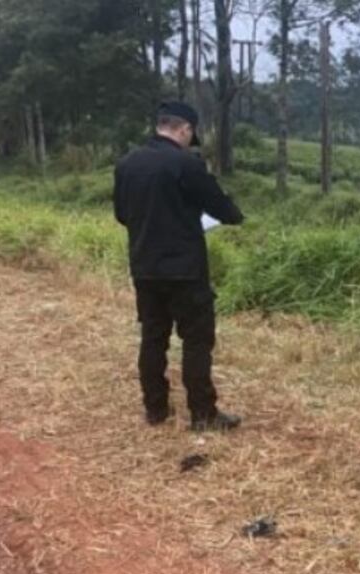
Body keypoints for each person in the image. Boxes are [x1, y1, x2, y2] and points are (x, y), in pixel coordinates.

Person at [114, 101, 244, 431]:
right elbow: (223, 209)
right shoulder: (185, 164)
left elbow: (121, 214)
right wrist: (231, 214)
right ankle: (203, 414)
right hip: (185, 271)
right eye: (191, 134)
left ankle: (155, 409)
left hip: (144, 266)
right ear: (184, 129)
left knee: (153, 337)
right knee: (197, 340)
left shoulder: (128, 164)